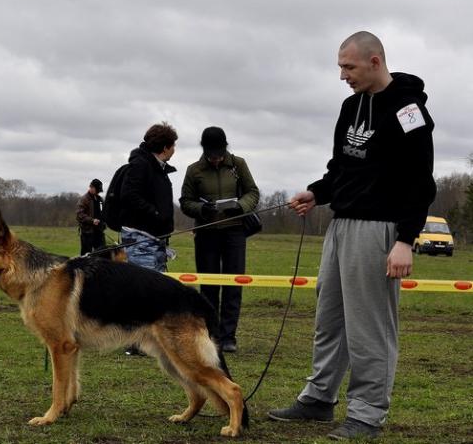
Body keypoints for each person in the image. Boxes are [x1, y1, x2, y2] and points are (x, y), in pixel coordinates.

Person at [268, 31, 436, 440]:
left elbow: (421, 182)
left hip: (380, 230)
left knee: (369, 327)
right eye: (340, 67)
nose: (343, 75)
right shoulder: (349, 106)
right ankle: (319, 399)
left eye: (349, 67)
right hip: (341, 226)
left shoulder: (408, 109)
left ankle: (366, 413)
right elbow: (341, 168)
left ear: (375, 61)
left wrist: (404, 239)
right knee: (330, 321)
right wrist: (317, 192)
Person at [179, 126, 259, 353]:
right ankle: (211, 334)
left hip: (235, 233)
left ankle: (228, 337)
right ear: (204, 151)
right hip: (206, 233)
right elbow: (185, 201)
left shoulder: (239, 165)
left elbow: (253, 192)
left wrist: (240, 206)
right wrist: (202, 209)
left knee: (234, 285)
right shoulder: (194, 170)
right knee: (209, 287)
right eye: (211, 154)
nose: (216, 159)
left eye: (219, 154)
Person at [119, 122, 178, 355]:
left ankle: (148, 339)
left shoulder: (157, 167)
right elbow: (129, 196)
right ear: (165, 146)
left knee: (154, 286)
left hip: (155, 237)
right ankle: (135, 342)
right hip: (140, 236)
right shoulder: (140, 165)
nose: (174, 150)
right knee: (142, 288)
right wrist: (155, 214)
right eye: (173, 145)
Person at [76, 178, 106, 255]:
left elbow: (103, 213)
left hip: (99, 231)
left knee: (102, 253)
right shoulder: (84, 199)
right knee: (86, 255)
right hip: (88, 232)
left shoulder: (100, 199)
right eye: (97, 190)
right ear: (91, 187)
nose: (98, 192)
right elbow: (79, 215)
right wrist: (92, 220)